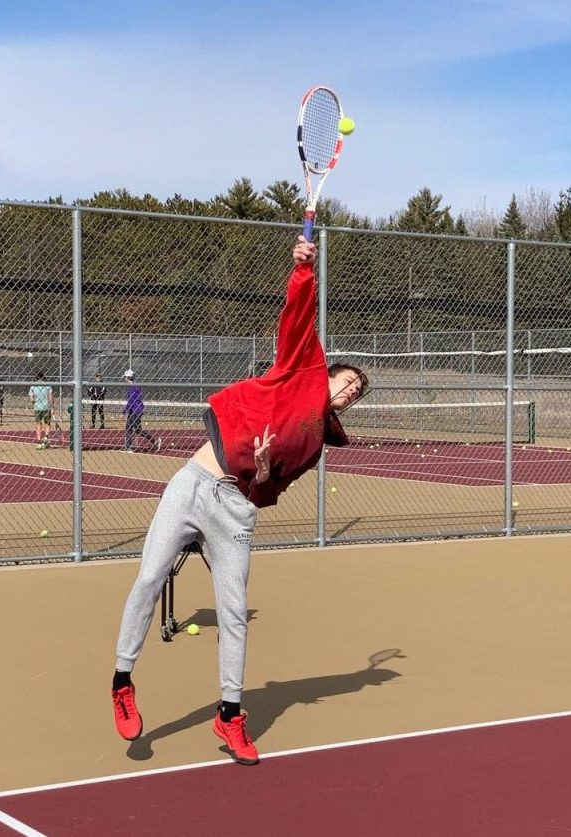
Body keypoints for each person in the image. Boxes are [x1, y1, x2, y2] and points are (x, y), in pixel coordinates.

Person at [111, 235, 368, 766]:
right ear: (327, 372)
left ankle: (229, 716)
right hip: (194, 483)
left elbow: (266, 491)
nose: (348, 392)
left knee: (233, 612)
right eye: (346, 381)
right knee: (149, 577)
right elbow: (298, 315)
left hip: (235, 509)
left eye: (355, 394)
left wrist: (268, 469)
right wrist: (303, 269)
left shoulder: (314, 443)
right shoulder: (301, 368)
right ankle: (122, 680)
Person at [122, 369, 160, 452]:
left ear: (128, 377)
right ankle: (129, 446)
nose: (124, 379)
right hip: (133, 410)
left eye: (125, 377)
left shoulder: (133, 387)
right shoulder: (132, 386)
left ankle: (130, 447)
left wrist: (125, 411)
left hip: (136, 410)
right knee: (132, 428)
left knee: (134, 428)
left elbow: (132, 400)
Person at [28, 372, 54, 449]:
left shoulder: (33, 386)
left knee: (38, 424)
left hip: (37, 407)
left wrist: (35, 401)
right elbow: (50, 397)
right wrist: (52, 407)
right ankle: (46, 437)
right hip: (46, 407)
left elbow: (32, 399)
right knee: (48, 423)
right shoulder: (47, 385)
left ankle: (39, 442)